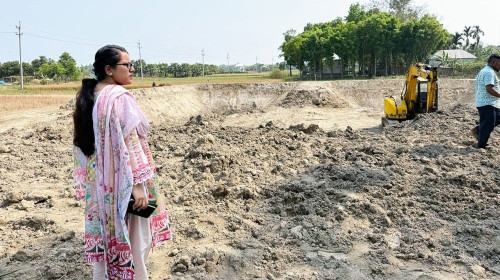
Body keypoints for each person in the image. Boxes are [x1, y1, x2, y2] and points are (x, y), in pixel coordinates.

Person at [72, 45, 172, 279]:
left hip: (101, 185)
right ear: (109, 69)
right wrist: (137, 186)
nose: (132, 69)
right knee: (136, 240)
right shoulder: (120, 98)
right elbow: (129, 144)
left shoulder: (89, 96)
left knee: (110, 240)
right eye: (127, 65)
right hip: (123, 183)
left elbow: (84, 146)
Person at [471, 54, 500, 148]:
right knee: (488, 124)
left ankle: (478, 129)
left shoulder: (486, 71)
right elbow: (489, 89)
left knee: (495, 119)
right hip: (487, 103)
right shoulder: (489, 72)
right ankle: (482, 144)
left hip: (490, 103)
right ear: (493, 62)